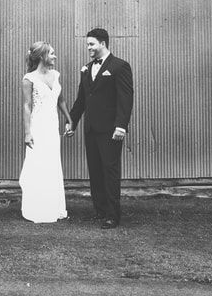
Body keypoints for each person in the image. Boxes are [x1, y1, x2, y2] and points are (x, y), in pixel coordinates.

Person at [66, 28, 134, 230]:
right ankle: (101, 210)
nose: (88, 48)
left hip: (111, 130)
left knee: (110, 170)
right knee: (95, 171)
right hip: (91, 129)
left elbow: (125, 99)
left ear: (103, 44)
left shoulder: (120, 66)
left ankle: (113, 215)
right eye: (88, 44)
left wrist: (121, 126)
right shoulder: (86, 69)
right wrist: (72, 122)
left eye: (91, 44)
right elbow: (81, 100)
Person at [19, 41, 72, 223]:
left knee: (52, 164)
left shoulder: (55, 75)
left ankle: (53, 206)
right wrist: (27, 133)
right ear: (42, 56)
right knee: (38, 165)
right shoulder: (29, 78)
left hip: (52, 126)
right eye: (51, 54)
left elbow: (61, 100)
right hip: (37, 127)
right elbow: (27, 106)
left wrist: (69, 118)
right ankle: (36, 208)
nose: (55, 57)